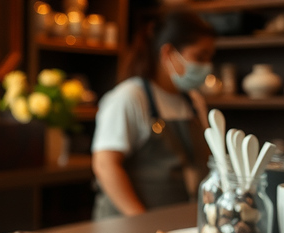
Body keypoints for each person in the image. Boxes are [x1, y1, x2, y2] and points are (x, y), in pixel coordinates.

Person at [91, 11, 216, 219]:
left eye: (209, 58)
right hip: (130, 228)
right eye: (200, 57)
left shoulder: (194, 101)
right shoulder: (130, 97)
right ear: (168, 53)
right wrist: (141, 219)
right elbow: (105, 165)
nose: (206, 66)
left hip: (178, 223)